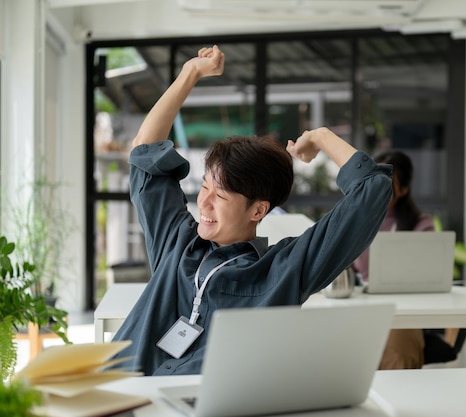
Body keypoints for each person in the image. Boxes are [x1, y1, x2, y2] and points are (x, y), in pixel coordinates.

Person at [111, 45, 393, 376]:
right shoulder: (178, 243)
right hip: (123, 395)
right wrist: (191, 73)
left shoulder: (284, 270)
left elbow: (372, 191)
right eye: (205, 187)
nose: (204, 203)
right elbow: (145, 154)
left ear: (258, 210)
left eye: (221, 195)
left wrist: (321, 136)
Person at [352, 150, 434, 370]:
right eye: (375, 178)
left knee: (395, 352)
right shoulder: (358, 219)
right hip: (360, 307)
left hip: (402, 310)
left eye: (387, 181)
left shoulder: (421, 226)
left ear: (404, 189)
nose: (378, 186)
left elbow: (425, 275)